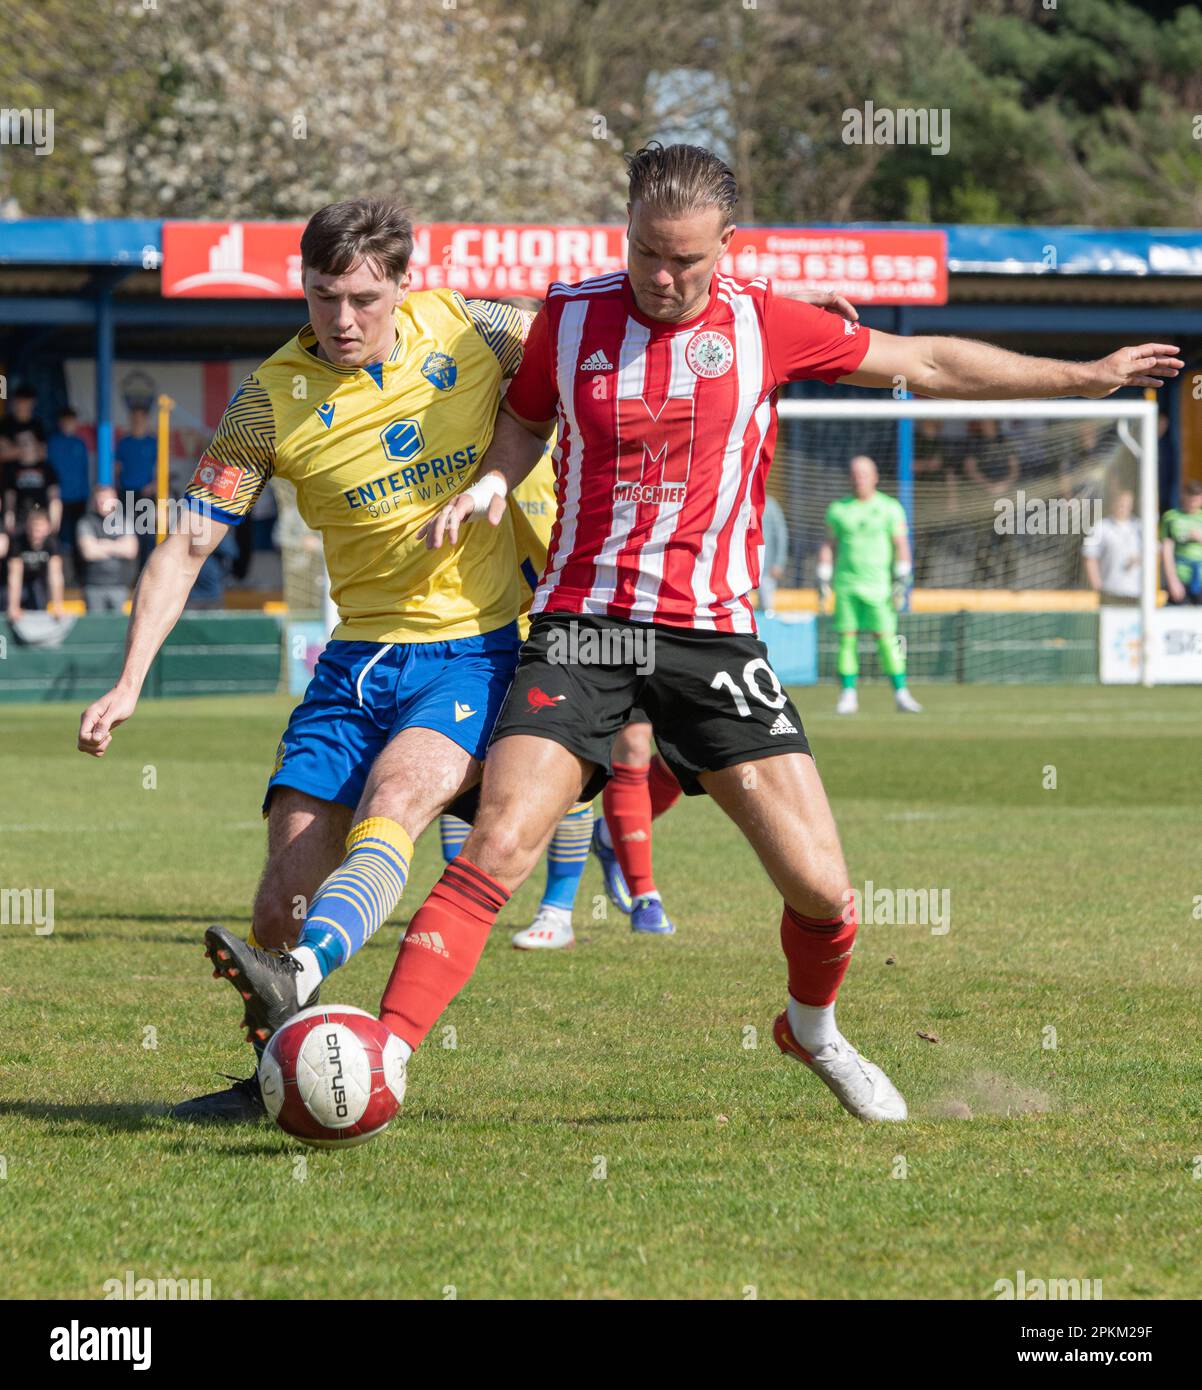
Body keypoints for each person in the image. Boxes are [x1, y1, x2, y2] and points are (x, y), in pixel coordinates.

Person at [220, 144, 1178, 1125]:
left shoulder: (766, 320)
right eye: (645, 254)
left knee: (821, 890)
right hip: (580, 628)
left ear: (727, 245)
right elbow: (521, 420)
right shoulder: (571, 315)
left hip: (711, 639)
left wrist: (1084, 371)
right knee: (497, 843)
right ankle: (387, 1053)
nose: (662, 279)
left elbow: (924, 358)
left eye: (684, 259)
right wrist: (497, 479)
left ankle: (810, 1026)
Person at [77, 197, 543, 1122]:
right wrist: (130, 678)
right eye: (324, 295)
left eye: (365, 298)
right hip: (356, 659)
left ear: (404, 285)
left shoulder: (479, 328)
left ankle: (305, 981)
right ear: (303, 284)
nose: (342, 319)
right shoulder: (268, 399)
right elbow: (185, 545)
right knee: (279, 896)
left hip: (477, 644)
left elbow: (612, 337)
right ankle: (282, 1078)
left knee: (397, 804)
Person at [818, 455, 921, 715]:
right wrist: (823, 574)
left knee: (887, 641)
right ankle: (848, 695)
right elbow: (829, 544)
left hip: (879, 588)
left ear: (875, 477)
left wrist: (902, 576)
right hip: (846, 586)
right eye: (855, 474)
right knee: (847, 641)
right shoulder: (838, 509)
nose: (859, 479)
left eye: (864, 474)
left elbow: (901, 545)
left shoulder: (890, 508)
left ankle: (901, 693)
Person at [74, 484, 138, 612]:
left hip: (120, 585)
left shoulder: (124, 521)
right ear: (94, 501)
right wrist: (118, 546)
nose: (103, 503)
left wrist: (101, 544)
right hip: (93, 586)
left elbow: (131, 550)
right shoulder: (86, 522)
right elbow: (89, 552)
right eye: (100, 500)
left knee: (119, 627)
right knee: (96, 628)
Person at [48, 407, 93, 581]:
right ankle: (54, 576)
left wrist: (86, 494)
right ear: (60, 423)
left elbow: (84, 471)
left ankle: (79, 576)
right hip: (57, 500)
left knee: (78, 537)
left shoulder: (80, 443)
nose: (68, 424)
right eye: (65, 420)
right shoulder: (53, 443)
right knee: (55, 537)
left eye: (72, 421)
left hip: (78, 498)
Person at [116, 404, 159, 571]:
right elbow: (117, 468)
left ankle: (143, 571)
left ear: (146, 420)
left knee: (146, 535)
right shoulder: (124, 443)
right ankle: (126, 572)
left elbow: (162, 469)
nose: (137, 421)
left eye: (141, 418)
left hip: (146, 494)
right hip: (126, 493)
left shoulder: (152, 442)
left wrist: (154, 486)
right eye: (134, 418)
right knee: (124, 532)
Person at [1081, 486, 1141, 606]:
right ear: (1112, 504)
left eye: (1126, 504)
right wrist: (1098, 588)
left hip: (1137, 592)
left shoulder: (1140, 527)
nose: (1123, 507)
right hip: (1110, 592)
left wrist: (1139, 559)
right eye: (1120, 503)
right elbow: (1089, 557)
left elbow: (1155, 553)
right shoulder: (1100, 527)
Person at [6, 508, 63, 622]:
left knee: (39, 601)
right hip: (20, 582)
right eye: (34, 529)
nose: (36, 534)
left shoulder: (52, 543)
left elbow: (55, 576)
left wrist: (57, 605)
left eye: (40, 529)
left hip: (39, 581)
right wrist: (13, 606)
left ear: (48, 528)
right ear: (27, 527)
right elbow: (15, 576)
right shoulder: (18, 542)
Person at [3, 428, 61, 536]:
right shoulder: (11, 469)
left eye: (27, 441)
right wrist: (9, 517)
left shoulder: (47, 468)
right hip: (20, 518)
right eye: (20, 442)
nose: (24, 445)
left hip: (42, 517)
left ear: (35, 443)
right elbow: (10, 496)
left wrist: (55, 521)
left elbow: (54, 497)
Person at [1160, 479, 1202, 605]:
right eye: (1190, 495)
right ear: (1183, 496)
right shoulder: (1171, 517)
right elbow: (1166, 550)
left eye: (1197, 496)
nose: (1193, 500)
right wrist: (1172, 580)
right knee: (1177, 619)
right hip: (1180, 577)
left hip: (1199, 577)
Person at [757, 492, 789, 617]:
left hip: (766, 569)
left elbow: (781, 535)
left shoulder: (770, 505)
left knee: (767, 608)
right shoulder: (741, 501)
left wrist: (779, 563)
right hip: (744, 570)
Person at [0, 385, 47, 464]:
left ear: (34, 403)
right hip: (13, 474)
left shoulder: (37, 424)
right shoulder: (5, 423)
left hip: (36, 473)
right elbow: (3, 453)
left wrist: (16, 449)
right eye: (22, 402)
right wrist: (30, 448)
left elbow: (43, 454)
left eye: (28, 402)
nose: (25, 406)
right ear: (15, 402)